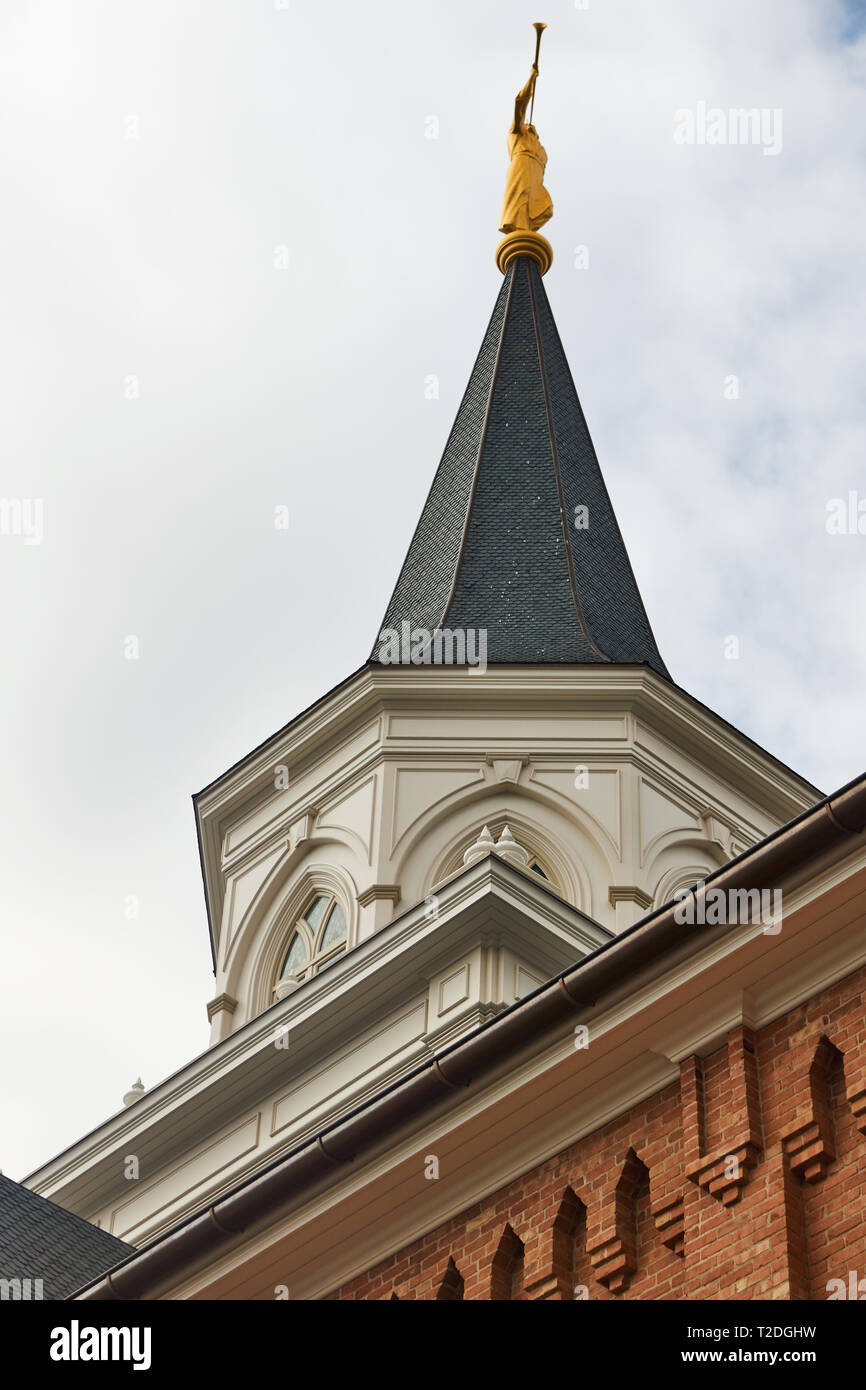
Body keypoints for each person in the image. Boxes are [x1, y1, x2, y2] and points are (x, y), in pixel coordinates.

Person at [499, 63, 553, 235]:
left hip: (535, 175)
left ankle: (525, 231)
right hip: (521, 168)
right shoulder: (516, 133)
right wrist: (531, 79)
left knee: (545, 208)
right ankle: (521, 233)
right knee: (520, 208)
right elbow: (520, 103)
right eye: (528, 126)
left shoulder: (539, 147)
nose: (531, 128)